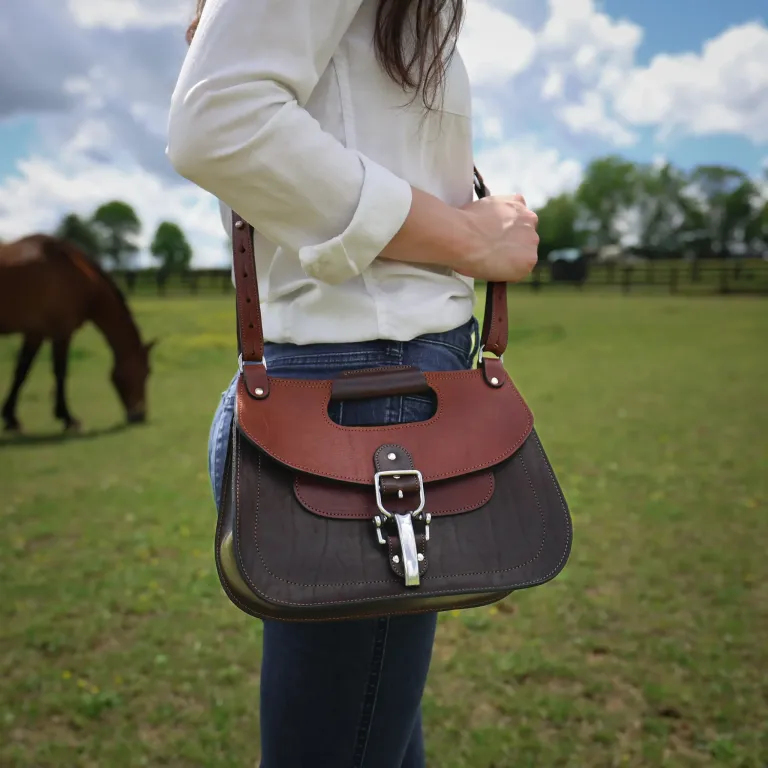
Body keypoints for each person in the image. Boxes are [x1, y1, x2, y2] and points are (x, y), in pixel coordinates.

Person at [167, 1, 539, 765]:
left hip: (350, 401)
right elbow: (219, 120)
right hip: (370, 419)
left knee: (375, 734)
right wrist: (467, 235)